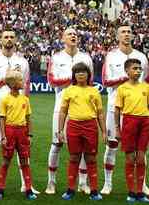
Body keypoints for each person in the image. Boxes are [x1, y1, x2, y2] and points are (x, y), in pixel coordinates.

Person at [0, 27, 36, 194]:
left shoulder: (23, 62)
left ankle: (26, 184)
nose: (9, 39)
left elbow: (26, 86)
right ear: (0, 40)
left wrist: (25, 109)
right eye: (6, 37)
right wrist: (4, 79)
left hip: (18, 113)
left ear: (15, 40)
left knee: (22, 149)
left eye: (12, 36)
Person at [101, 25, 149, 195]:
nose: (127, 34)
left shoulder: (141, 57)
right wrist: (125, 78)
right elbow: (105, 80)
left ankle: (142, 184)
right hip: (115, 107)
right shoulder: (111, 56)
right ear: (117, 36)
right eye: (123, 32)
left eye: (129, 31)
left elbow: (147, 81)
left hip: (138, 111)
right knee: (112, 144)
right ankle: (108, 183)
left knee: (141, 149)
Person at [45, 28, 94, 195]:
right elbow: (51, 81)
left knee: (82, 147)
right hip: (61, 106)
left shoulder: (85, 58)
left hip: (82, 107)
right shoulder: (56, 57)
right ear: (62, 38)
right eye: (69, 34)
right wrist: (73, 79)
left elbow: (91, 81)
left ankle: (82, 183)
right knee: (56, 143)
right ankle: (51, 183)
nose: (73, 36)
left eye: (75, 34)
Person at [58, 62, 106, 201]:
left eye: (83, 72)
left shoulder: (94, 91)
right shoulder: (69, 90)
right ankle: (70, 189)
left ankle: (94, 190)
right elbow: (63, 112)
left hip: (90, 126)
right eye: (78, 72)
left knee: (91, 158)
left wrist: (103, 131)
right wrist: (60, 130)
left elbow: (100, 114)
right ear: (74, 75)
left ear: (88, 75)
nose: (80, 74)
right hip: (73, 126)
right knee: (74, 157)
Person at [0, 72, 36, 200]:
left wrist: (30, 134)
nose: (23, 82)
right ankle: (0, 188)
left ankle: (28, 189)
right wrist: (3, 136)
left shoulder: (25, 99)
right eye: (20, 80)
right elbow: (2, 119)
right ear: (13, 83)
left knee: (24, 160)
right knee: (6, 160)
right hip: (9, 131)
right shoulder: (5, 99)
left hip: (22, 131)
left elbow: (28, 118)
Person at [114, 58, 149, 203]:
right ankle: (131, 192)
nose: (138, 71)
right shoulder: (122, 88)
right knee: (130, 158)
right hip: (129, 121)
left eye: (139, 68)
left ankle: (140, 192)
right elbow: (117, 110)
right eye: (134, 68)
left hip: (145, 122)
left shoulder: (146, 87)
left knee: (141, 158)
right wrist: (117, 129)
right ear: (127, 71)